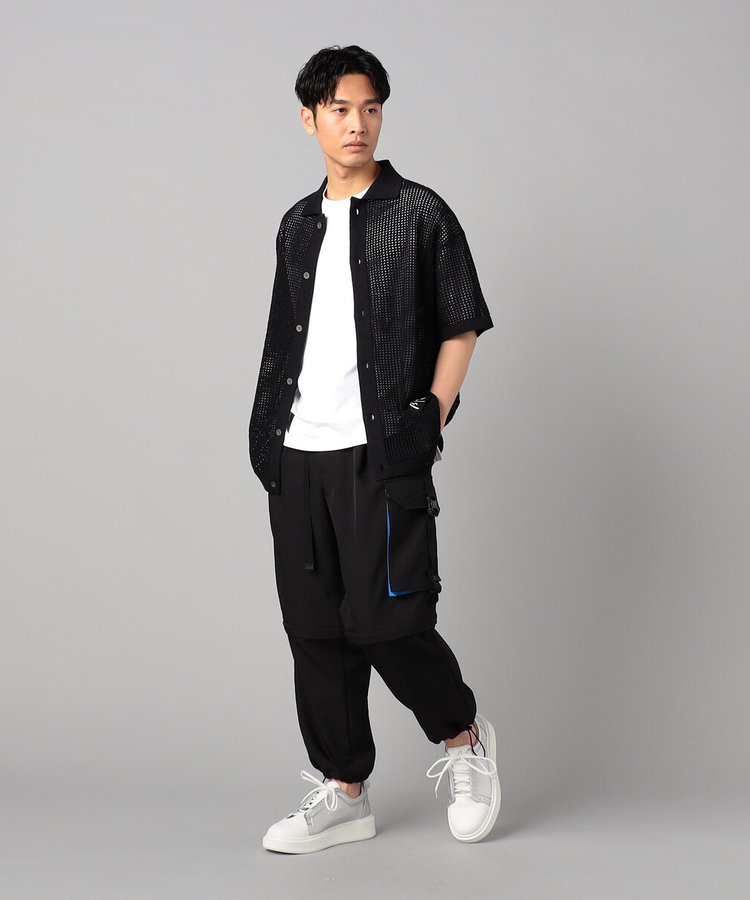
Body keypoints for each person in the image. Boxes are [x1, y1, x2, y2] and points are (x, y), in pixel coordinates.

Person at [248, 45, 499, 853]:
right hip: (297, 453)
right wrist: (265, 437)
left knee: (389, 622)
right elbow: (284, 338)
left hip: (380, 451)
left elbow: (460, 322)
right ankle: (344, 791)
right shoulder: (296, 225)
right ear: (309, 119)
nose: (357, 124)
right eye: (339, 110)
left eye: (370, 108)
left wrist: (432, 413)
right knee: (314, 629)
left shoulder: (419, 212)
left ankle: (464, 738)